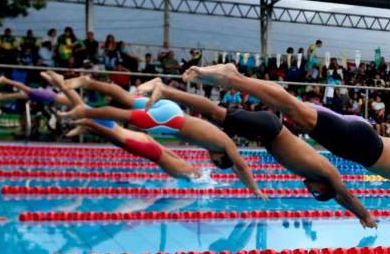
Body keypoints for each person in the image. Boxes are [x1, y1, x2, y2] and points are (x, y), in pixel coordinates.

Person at [181, 62, 390, 254]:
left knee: (295, 109)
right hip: (362, 144)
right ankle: (232, 77)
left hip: (361, 138)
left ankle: (234, 77)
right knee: (292, 107)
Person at [138, 79, 377, 227]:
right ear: (325, 188)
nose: (311, 191)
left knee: (217, 115)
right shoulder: (327, 172)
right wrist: (363, 215)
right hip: (270, 128)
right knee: (217, 113)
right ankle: (166, 91)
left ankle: (166, 93)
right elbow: (345, 195)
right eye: (316, 194)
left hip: (266, 132)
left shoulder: (312, 173)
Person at [56, 74, 263, 197]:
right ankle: (84, 112)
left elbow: (237, 169)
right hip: (171, 120)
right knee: (124, 115)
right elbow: (241, 167)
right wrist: (256, 190)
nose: (212, 162)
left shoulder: (219, 141)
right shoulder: (226, 145)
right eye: (217, 163)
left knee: (126, 98)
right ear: (221, 157)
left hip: (171, 110)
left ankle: (88, 82)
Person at [42, 72, 202, 180]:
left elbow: (100, 126)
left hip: (142, 142)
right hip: (141, 141)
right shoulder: (111, 132)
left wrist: (87, 123)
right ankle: (61, 82)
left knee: (82, 105)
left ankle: (62, 82)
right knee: (82, 105)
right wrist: (86, 123)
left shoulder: (111, 132)